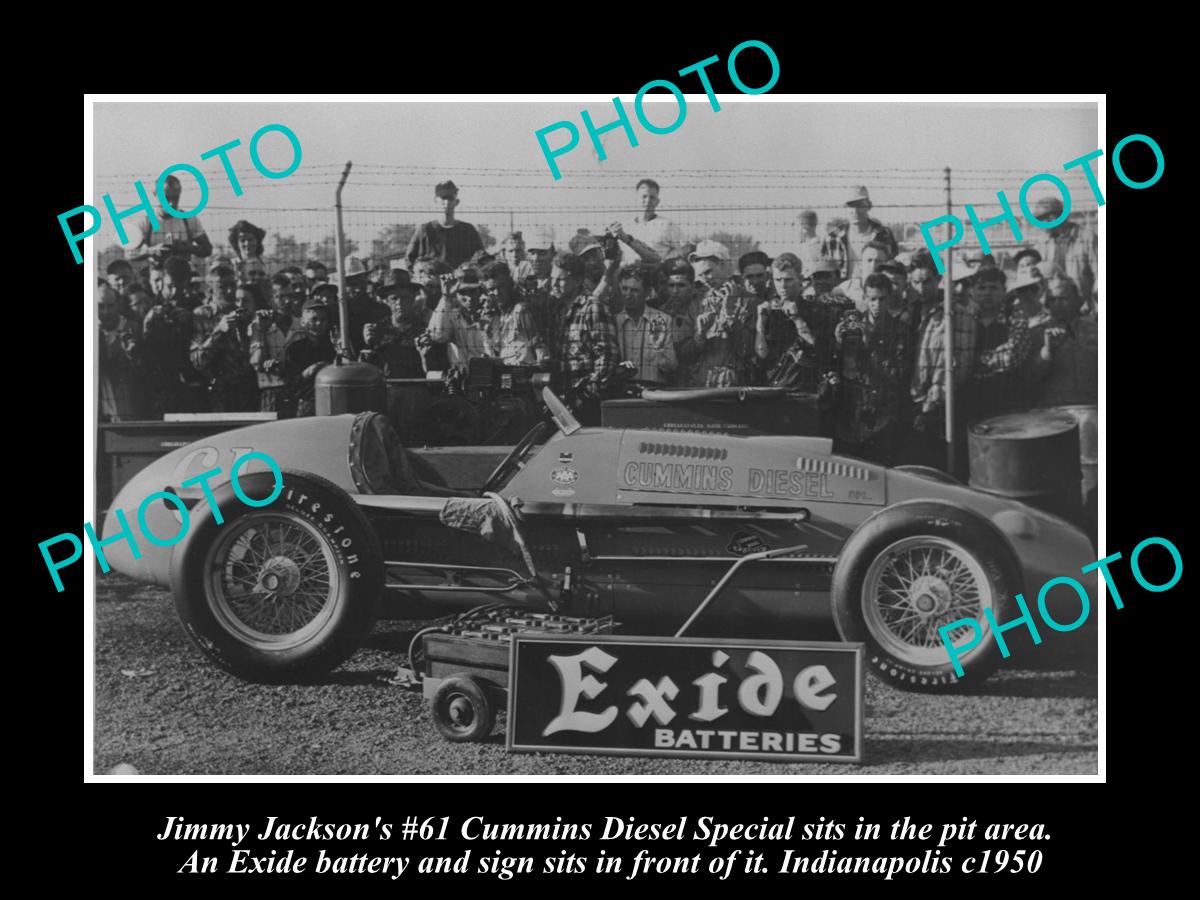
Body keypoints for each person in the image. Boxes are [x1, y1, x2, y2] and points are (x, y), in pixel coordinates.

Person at [834, 274, 911, 464]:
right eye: (873, 299)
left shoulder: (900, 330)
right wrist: (837, 343)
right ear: (865, 298)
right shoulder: (852, 326)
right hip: (853, 411)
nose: (877, 304)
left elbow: (899, 375)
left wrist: (871, 346)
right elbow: (840, 367)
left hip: (884, 412)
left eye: (882, 299)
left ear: (889, 298)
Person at [546, 253, 619, 423]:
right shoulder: (556, 310)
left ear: (578, 280)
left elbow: (608, 357)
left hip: (591, 404)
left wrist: (586, 395)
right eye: (553, 278)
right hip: (563, 404)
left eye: (561, 279)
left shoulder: (593, 307)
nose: (554, 284)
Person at [965, 267, 1031, 423]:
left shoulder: (1015, 316)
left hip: (1008, 400)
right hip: (970, 400)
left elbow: (1011, 357)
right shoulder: (965, 317)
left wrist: (972, 360)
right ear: (973, 292)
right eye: (982, 288)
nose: (987, 293)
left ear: (1004, 291)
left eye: (993, 288)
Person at [1021, 272, 1097, 408]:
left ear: (1078, 300)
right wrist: (1045, 353)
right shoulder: (1036, 332)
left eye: (1064, 298)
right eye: (1052, 299)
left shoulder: (1095, 330)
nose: (1057, 304)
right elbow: (1026, 379)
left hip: (1092, 408)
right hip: (1054, 413)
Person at [190, 282, 258, 412]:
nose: (240, 305)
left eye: (245, 301)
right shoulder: (205, 317)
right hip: (219, 393)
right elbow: (199, 361)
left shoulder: (253, 322)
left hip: (248, 393)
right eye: (237, 300)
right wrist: (219, 331)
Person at [1026, 196, 1097, 310]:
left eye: (1042, 220)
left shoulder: (1087, 238)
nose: (1040, 225)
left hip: (1083, 308)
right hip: (1052, 307)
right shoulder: (1041, 244)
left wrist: (1094, 304)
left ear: (1053, 218)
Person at [129, 174, 213, 266]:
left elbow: (207, 249)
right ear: (155, 194)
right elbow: (129, 254)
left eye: (175, 198)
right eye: (166, 198)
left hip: (182, 272)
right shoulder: (146, 221)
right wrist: (151, 251)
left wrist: (187, 248)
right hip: (155, 272)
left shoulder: (189, 219)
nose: (171, 203)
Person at [615, 264, 677, 386]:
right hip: (621, 393)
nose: (628, 295)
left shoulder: (662, 320)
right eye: (624, 288)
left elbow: (672, 366)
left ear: (647, 292)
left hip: (654, 393)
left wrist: (659, 349)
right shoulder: (614, 321)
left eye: (635, 290)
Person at [823, 185, 898, 280]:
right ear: (846, 208)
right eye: (851, 206)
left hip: (877, 289)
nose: (855, 211)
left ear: (869, 206)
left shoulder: (884, 234)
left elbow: (892, 264)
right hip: (842, 290)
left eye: (859, 205)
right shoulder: (833, 237)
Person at [405, 180, 484, 269]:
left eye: (450, 198)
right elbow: (409, 260)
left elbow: (481, 258)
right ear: (435, 200)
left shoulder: (468, 230)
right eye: (443, 198)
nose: (446, 202)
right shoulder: (425, 230)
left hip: (462, 280)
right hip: (433, 281)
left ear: (457, 201)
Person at [477, 261, 544, 365]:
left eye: (501, 287)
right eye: (492, 289)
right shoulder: (494, 317)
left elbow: (541, 351)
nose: (497, 293)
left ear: (510, 285)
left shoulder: (521, 310)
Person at [282, 298, 337, 417]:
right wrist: (308, 372)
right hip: (304, 407)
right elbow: (289, 386)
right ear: (303, 322)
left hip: (331, 404)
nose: (319, 323)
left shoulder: (333, 347)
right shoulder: (295, 349)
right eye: (314, 319)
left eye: (323, 319)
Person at [98, 284, 144, 421]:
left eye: (110, 306)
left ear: (118, 305)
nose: (106, 311)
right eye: (100, 306)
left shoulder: (133, 328)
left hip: (127, 402)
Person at [620, 178, 687, 265]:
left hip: (656, 274)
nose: (648, 200)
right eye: (644, 196)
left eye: (652, 197)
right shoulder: (626, 226)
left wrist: (664, 261)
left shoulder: (666, 225)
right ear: (636, 199)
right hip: (627, 274)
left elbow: (685, 248)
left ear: (657, 202)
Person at [832, 241, 892, 309]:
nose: (873, 265)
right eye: (869, 260)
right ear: (860, 264)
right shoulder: (845, 289)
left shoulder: (891, 290)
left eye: (878, 261)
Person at [795, 209, 825, 275]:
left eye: (797, 227)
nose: (796, 232)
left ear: (804, 229)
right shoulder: (821, 244)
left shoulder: (813, 248)